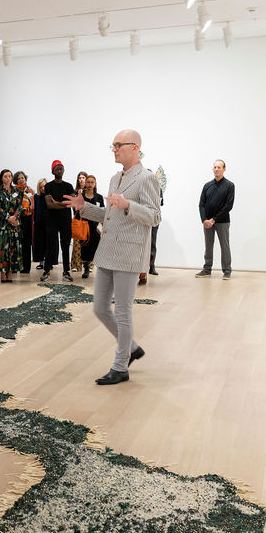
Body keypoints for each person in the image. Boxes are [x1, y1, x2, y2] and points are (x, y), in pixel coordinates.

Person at [67, 130, 161, 385]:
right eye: (113, 145)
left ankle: (121, 367)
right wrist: (84, 208)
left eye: (119, 145)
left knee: (122, 312)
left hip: (129, 253)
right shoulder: (114, 178)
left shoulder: (147, 178)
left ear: (135, 147)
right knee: (99, 307)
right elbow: (110, 216)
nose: (114, 149)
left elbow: (155, 217)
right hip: (108, 250)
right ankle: (131, 347)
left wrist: (129, 205)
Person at [195, 159, 235, 279]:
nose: (216, 169)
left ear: (224, 169)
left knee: (224, 246)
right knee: (208, 246)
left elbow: (228, 206)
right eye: (215, 167)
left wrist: (214, 219)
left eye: (219, 167)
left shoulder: (229, 185)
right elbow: (201, 204)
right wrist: (204, 220)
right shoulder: (207, 186)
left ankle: (227, 270)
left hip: (222, 221)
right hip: (207, 223)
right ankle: (207, 269)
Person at [42, 161, 74, 282]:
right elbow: (49, 205)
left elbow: (71, 203)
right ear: (52, 172)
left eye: (61, 168)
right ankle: (46, 271)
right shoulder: (48, 186)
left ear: (64, 170)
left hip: (65, 220)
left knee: (65, 246)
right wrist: (62, 204)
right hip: (52, 220)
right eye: (57, 169)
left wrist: (56, 202)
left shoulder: (69, 186)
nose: (59, 170)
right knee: (50, 246)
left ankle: (66, 271)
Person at [0, 169, 23, 282]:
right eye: (5, 176)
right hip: (2, 225)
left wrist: (15, 217)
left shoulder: (17, 191)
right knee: (2, 249)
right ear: (1, 178)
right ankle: (2, 273)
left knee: (13, 249)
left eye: (9, 176)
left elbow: (20, 206)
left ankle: (10, 273)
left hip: (14, 225)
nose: (8, 178)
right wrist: (8, 218)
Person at [78, 175, 104, 279]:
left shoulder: (99, 197)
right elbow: (77, 210)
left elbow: (102, 211)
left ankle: (100, 270)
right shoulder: (81, 196)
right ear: (85, 183)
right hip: (84, 226)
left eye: (92, 182)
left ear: (95, 184)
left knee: (97, 247)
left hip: (95, 227)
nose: (90, 184)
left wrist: (102, 226)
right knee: (84, 247)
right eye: (88, 182)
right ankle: (86, 269)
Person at [13, 171, 33, 274]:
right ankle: (15, 266)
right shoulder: (13, 191)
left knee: (26, 243)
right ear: (15, 180)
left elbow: (32, 205)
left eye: (22, 178)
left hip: (27, 218)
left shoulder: (30, 191)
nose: (21, 180)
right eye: (18, 178)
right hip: (16, 218)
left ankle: (26, 267)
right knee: (15, 243)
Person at [70, 171, 89, 273]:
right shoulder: (74, 193)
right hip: (78, 219)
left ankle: (88, 265)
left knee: (88, 243)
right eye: (79, 178)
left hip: (88, 220)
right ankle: (76, 265)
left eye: (83, 178)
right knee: (77, 243)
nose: (81, 179)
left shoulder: (89, 192)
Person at [33, 178, 47, 270]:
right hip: (38, 223)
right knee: (40, 244)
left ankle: (48, 263)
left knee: (48, 244)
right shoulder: (36, 196)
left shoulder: (49, 196)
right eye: (41, 187)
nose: (42, 189)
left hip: (48, 223)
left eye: (44, 186)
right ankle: (41, 262)